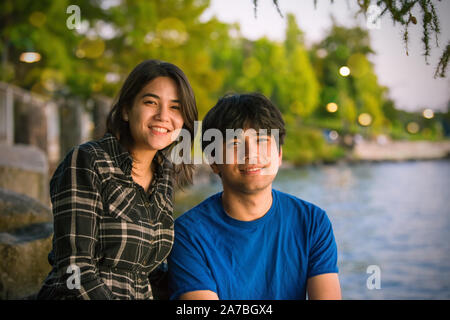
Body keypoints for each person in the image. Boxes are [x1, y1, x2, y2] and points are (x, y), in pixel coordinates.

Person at [37, 59, 198, 299]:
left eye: (175, 107)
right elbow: (74, 269)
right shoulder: (88, 161)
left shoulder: (164, 175)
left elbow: (148, 271)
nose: (163, 116)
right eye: (151, 102)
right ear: (126, 109)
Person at [168, 93, 341, 300]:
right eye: (234, 143)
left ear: (279, 155)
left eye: (262, 140)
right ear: (213, 162)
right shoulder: (188, 235)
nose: (250, 153)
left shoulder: (312, 222)